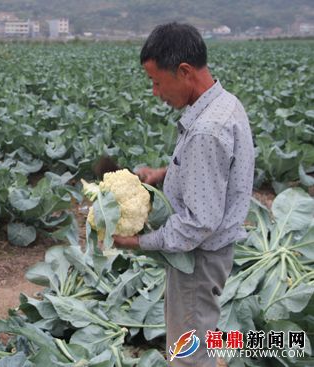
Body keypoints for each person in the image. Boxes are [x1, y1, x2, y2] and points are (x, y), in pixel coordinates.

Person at [112, 23, 255, 366]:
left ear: (185, 71)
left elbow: (197, 225)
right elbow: (215, 172)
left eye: (157, 82)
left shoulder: (207, 128)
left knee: (189, 352)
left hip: (199, 261)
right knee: (200, 334)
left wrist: (136, 243)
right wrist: (163, 174)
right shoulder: (224, 104)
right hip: (210, 256)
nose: (155, 92)